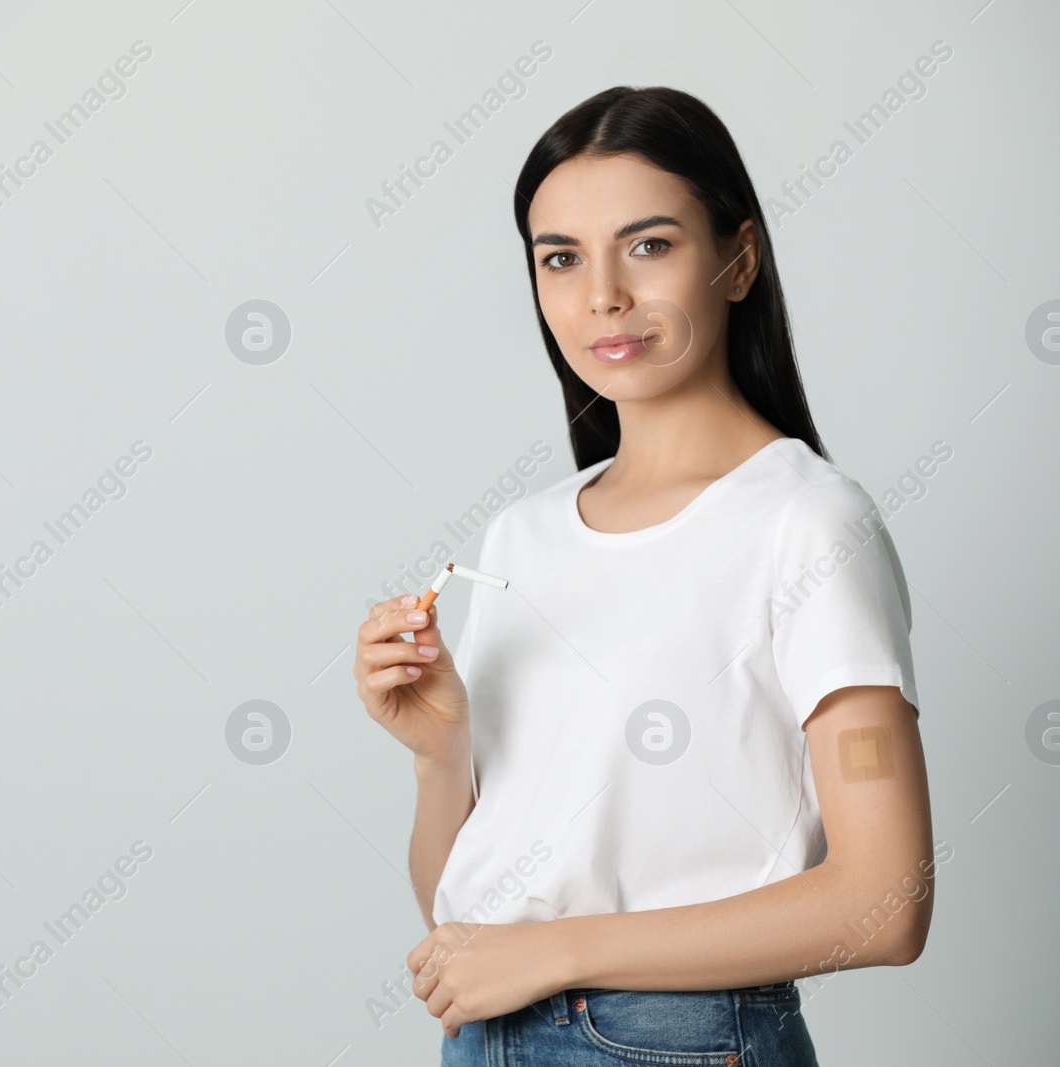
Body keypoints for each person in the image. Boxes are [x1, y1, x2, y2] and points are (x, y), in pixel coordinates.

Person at [354, 86, 934, 1066]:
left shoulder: (807, 523)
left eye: (650, 244)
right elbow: (468, 909)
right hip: (486, 1041)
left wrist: (559, 950)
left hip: (673, 1044)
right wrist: (439, 751)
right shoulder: (520, 537)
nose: (602, 296)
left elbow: (885, 902)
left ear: (736, 259)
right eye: (561, 257)